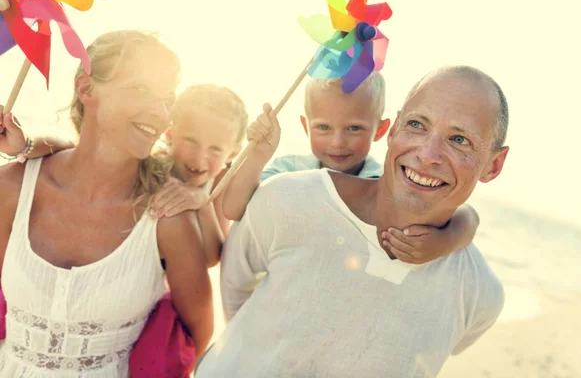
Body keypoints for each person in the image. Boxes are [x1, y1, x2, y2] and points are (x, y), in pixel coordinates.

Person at [195, 65, 510, 377]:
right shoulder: (285, 197)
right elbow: (235, 282)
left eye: (459, 140)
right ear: (396, 127)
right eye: (417, 124)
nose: (428, 155)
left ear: (494, 166)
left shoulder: (480, 294)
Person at [0, 30, 213, 377]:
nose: (159, 112)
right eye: (140, 89)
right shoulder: (12, 188)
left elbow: (196, 344)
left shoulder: (167, 218)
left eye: (167, 98)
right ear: (86, 89)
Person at [222, 73, 481, 265]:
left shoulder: (383, 182)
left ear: (381, 130)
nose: (337, 142)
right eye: (323, 128)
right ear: (305, 126)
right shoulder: (288, 171)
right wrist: (258, 155)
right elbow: (233, 209)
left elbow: (467, 216)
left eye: (354, 128)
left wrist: (446, 241)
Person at [0, 83, 250, 267]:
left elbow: (210, 257)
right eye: (191, 141)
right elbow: (70, 148)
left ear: (233, 153)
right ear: (169, 136)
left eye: (215, 148)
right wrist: (26, 145)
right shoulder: (152, 165)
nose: (200, 157)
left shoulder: (219, 186)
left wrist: (200, 202)